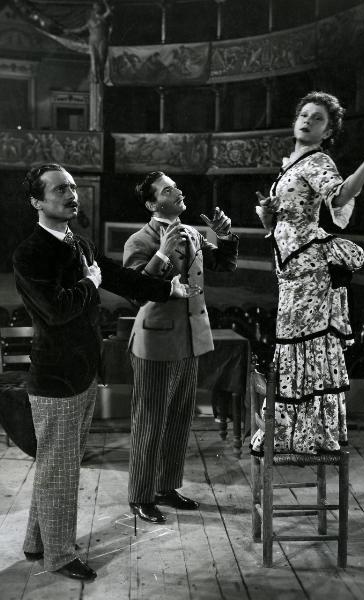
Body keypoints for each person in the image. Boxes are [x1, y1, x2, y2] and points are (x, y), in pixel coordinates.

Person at [13, 163, 196, 581]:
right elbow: (57, 309)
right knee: (60, 470)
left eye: (73, 188)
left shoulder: (78, 243)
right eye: (60, 190)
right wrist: (90, 283)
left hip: (80, 373)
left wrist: (167, 288)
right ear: (37, 201)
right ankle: (59, 555)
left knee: (55, 464)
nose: (71, 194)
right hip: (57, 377)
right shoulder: (31, 251)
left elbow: (124, 279)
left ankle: (37, 542)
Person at [251, 91, 364, 456]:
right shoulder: (293, 163)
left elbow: (341, 195)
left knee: (301, 346)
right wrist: (270, 213)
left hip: (308, 269)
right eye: (304, 114)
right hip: (291, 267)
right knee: (294, 347)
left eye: (317, 118)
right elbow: (283, 221)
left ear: (328, 130)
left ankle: (304, 435)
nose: (307, 120)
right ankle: (295, 433)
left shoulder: (318, 162)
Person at [123, 171, 239, 523]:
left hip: (190, 338)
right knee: (150, 419)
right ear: (152, 203)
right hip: (156, 341)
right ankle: (141, 496)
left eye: (177, 187)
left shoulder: (192, 233)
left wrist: (224, 235)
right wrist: (160, 255)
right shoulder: (139, 240)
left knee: (178, 417)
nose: (179, 191)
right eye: (169, 190)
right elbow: (134, 292)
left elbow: (224, 264)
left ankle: (166, 487)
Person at [66, 0, 112, 83]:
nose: (96, 9)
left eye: (97, 7)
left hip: (102, 40)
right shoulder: (90, 21)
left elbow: (109, 11)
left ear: (100, 9)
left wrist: (105, 2)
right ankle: (95, 78)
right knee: (94, 61)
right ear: (94, 10)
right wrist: (69, 31)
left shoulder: (103, 18)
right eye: (95, 8)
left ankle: (101, 77)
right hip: (92, 42)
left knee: (102, 60)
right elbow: (80, 29)